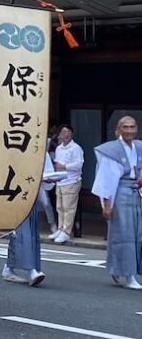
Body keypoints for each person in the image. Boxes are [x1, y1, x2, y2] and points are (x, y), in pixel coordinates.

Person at [92, 116, 142, 289]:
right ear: (119, 129)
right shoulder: (112, 150)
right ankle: (129, 275)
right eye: (125, 127)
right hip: (120, 193)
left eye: (132, 127)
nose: (129, 130)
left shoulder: (139, 147)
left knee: (137, 234)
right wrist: (107, 205)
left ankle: (120, 268)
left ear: (136, 129)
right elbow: (107, 179)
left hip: (137, 193)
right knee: (124, 235)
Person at [2, 153, 51, 286]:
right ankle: (31, 270)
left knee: (22, 233)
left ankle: (9, 267)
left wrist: (46, 178)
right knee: (25, 233)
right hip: (18, 193)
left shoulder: (39, 149)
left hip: (31, 193)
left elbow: (48, 171)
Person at [52, 125, 84, 243]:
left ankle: (66, 231)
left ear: (72, 134)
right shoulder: (59, 148)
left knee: (68, 207)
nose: (65, 134)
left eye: (68, 132)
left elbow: (79, 165)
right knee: (60, 207)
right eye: (63, 132)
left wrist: (64, 166)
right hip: (60, 180)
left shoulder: (76, 148)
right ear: (60, 134)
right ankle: (60, 228)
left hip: (72, 180)